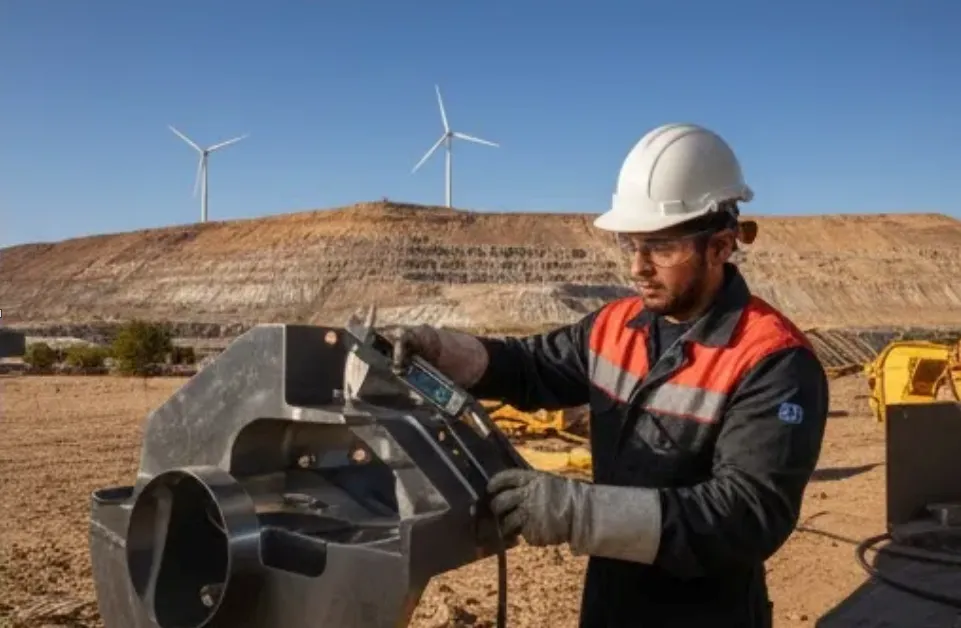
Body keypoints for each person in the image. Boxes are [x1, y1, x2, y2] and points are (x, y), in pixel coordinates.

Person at [385, 123, 829, 628]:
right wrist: (443, 350)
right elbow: (530, 366)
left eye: (660, 248)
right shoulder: (615, 326)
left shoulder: (772, 360)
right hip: (612, 602)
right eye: (631, 244)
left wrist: (579, 512)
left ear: (721, 247)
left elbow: (746, 515)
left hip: (706, 612)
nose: (638, 267)